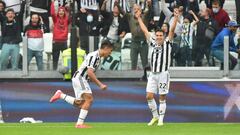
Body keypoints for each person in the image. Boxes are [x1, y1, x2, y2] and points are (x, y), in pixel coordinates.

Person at [49, 40, 113, 128]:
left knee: (81, 104)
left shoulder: (97, 58)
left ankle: (61, 95)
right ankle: (79, 124)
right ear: (106, 48)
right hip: (80, 78)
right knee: (89, 99)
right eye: (110, 51)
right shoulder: (94, 56)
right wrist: (100, 85)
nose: (110, 53)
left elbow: (89, 73)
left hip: (80, 79)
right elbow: (90, 73)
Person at [135, 6, 178, 126]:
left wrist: (175, 17)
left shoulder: (168, 43)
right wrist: (138, 18)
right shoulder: (152, 42)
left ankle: (161, 120)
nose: (159, 37)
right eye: (157, 35)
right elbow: (144, 30)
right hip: (152, 74)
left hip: (163, 74)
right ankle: (155, 116)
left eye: (160, 35)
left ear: (163, 36)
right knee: (148, 96)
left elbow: (172, 31)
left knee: (162, 97)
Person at [0, 1, 25, 71]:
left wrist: (23, 3)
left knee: (15, 63)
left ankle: (14, 77)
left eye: (12, 13)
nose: (10, 14)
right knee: (3, 62)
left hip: (15, 44)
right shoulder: (3, 21)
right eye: (8, 13)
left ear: (14, 15)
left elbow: (21, 12)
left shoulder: (17, 20)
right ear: (6, 15)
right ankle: (2, 75)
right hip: (6, 44)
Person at [51, 0, 70, 70]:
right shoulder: (55, 20)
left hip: (64, 42)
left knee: (66, 58)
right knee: (55, 59)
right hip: (56, 42)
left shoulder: (67, 20)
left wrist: (69, 9)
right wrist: (52, 3)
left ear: (64, 12)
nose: (61, 12)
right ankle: (54, 72)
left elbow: (71, 16)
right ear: (58, 12)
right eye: (60, 11)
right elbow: (52, 13)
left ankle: (67, 71)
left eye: (62, 11)